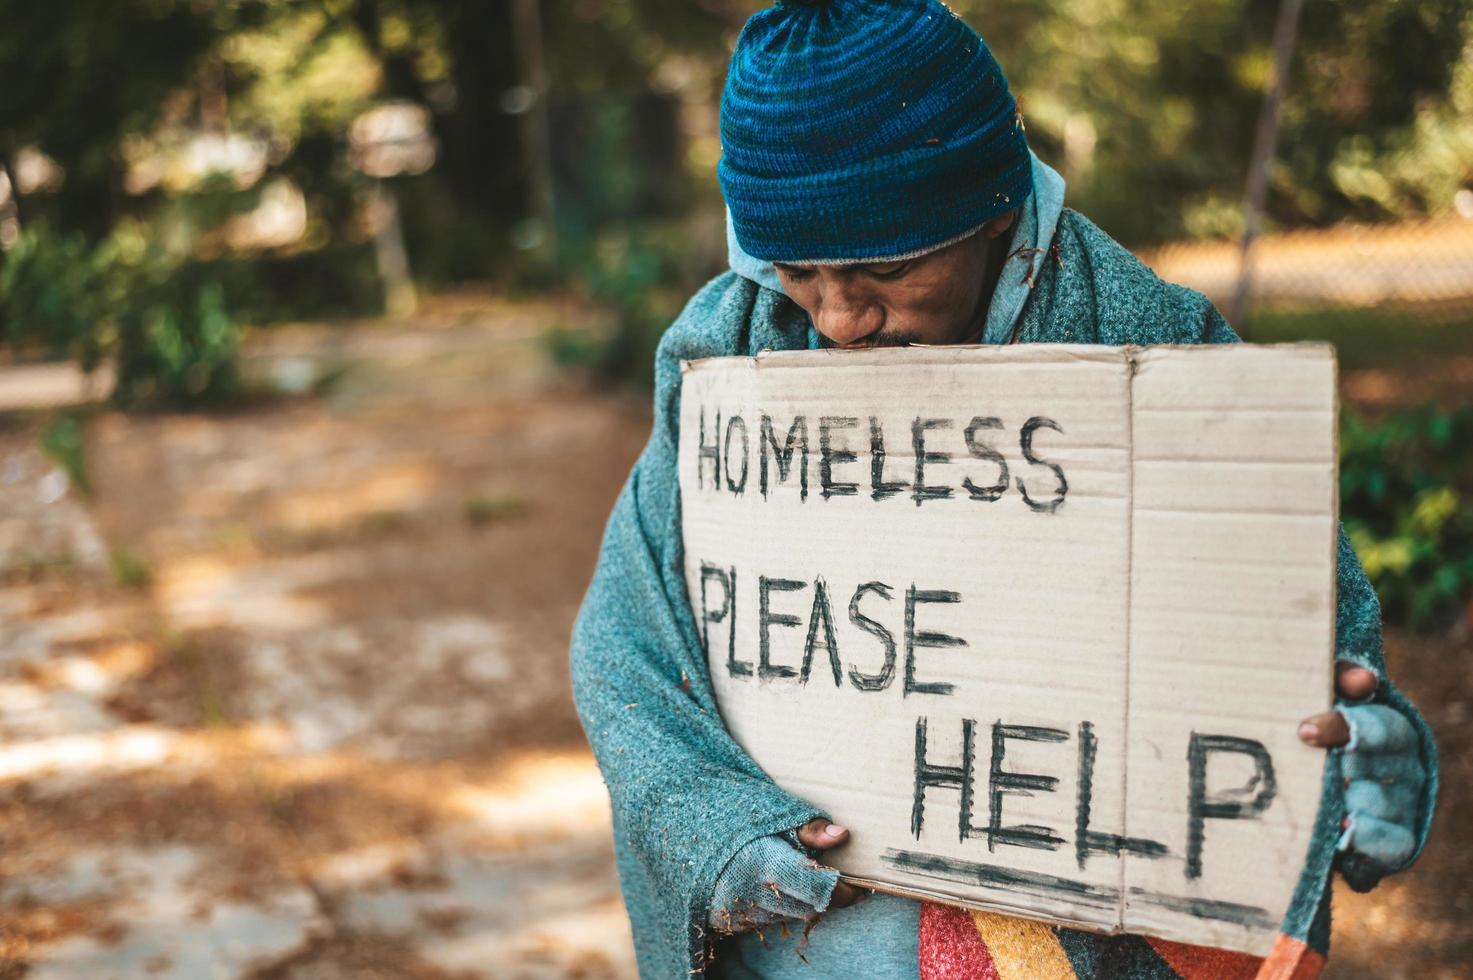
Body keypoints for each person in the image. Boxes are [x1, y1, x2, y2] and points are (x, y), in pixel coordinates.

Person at [570, 1, 1438, 977]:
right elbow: (626, 646)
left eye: (887, 267)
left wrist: (1356, 769)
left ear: (992, 209)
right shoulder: (727, 349)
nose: (842, 316)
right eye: (799, 271)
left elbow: (1303, 653)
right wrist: (720, 832)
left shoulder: (1152, 352)